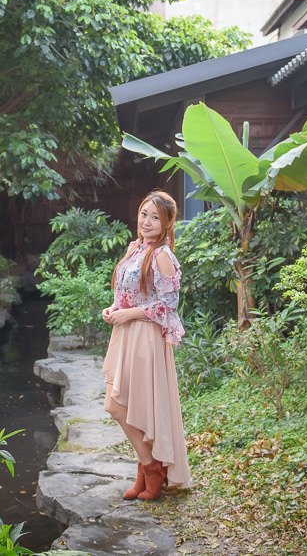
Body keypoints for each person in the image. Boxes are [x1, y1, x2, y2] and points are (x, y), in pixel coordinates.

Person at [101, 190, 192, 501]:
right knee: (118, 404)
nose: (148, 221)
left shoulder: (163, 256)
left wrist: (128, 314)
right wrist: (114, 309)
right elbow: (125, 292)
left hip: (146, 337)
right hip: (125, 333)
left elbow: (168, 305)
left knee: (126, 404)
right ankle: (147, 466)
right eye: (144, 214)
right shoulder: (134, 248)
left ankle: (152, 469)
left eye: (156, 217)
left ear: (167, 223)